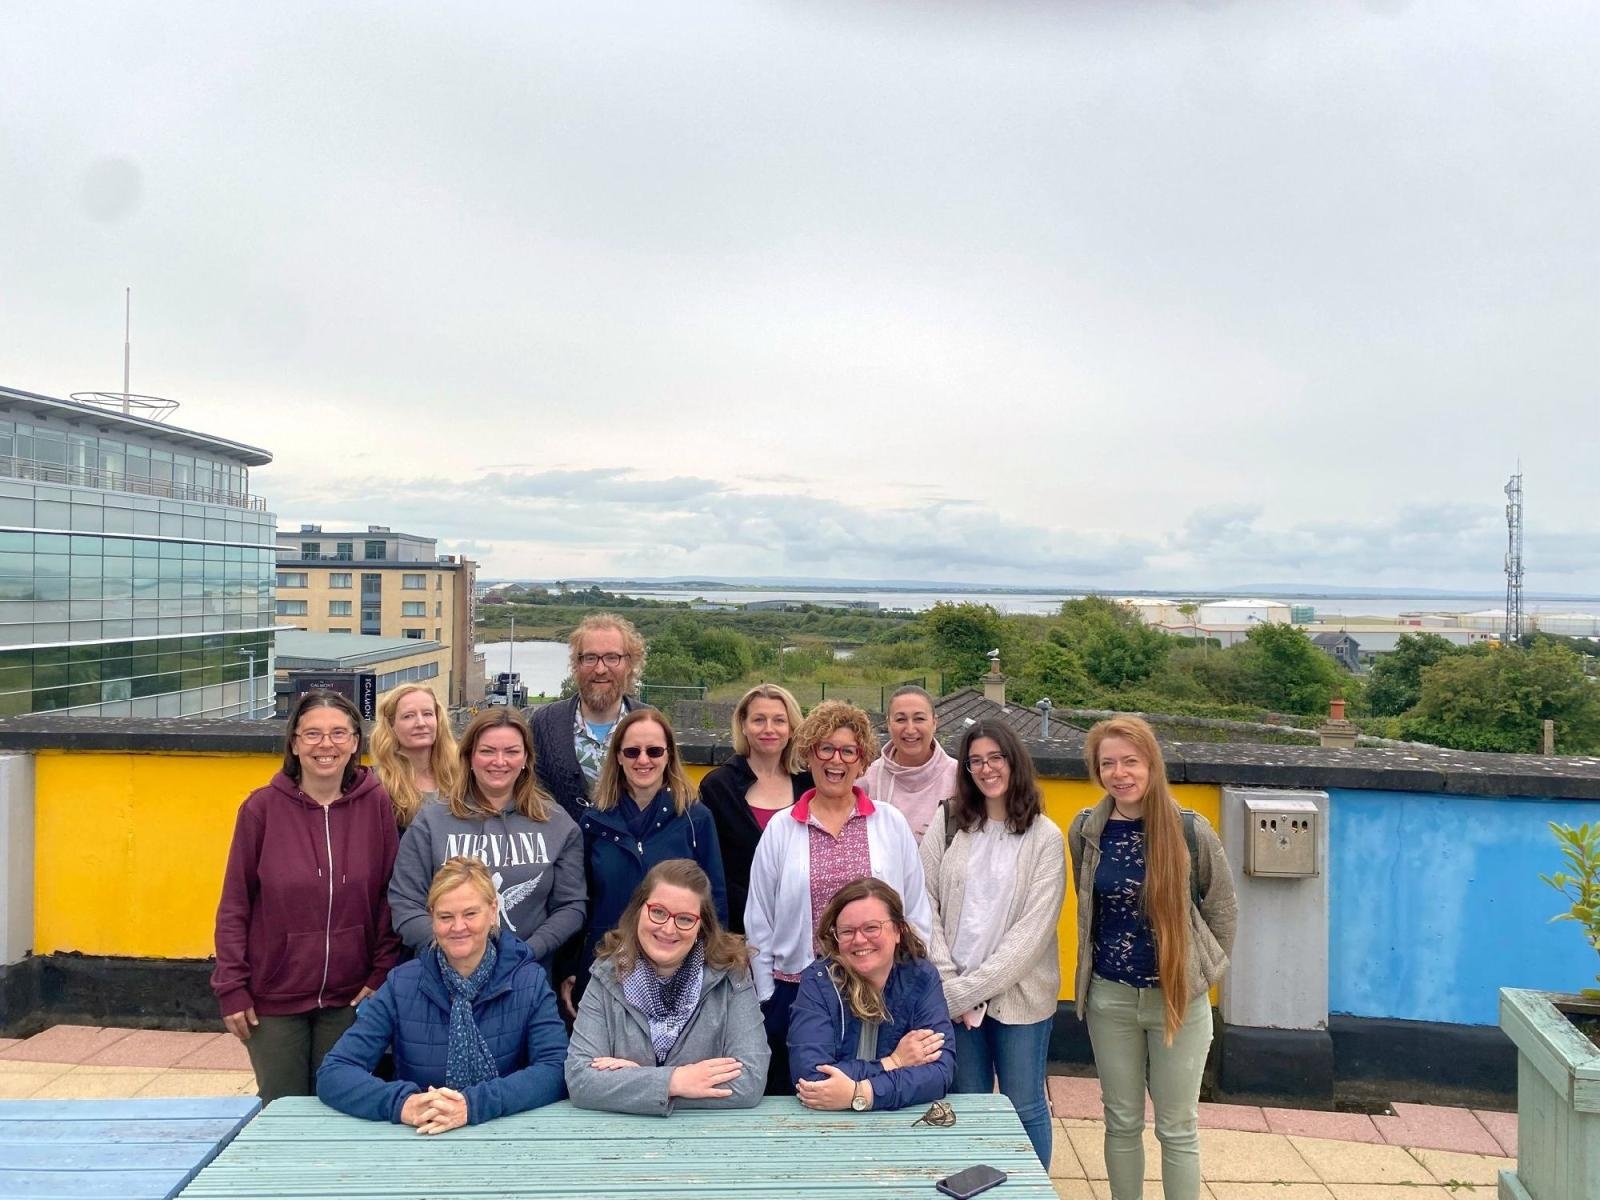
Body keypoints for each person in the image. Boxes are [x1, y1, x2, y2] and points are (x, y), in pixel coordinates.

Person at [1068, 716, 1238, 1200]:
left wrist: (1199, 974)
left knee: (1177, 1127)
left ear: (1151, 765)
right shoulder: (1086, 830)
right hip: (1110, 999)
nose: (1120, 773)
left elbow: (1222, 908)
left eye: (1130, 761)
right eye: (1108, 764)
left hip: (1178, 1002)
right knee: (1120, 1120)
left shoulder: (1188, 830)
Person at [212, 690, 401, 1105]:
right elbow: (235, 905)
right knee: (283, 1109)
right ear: (294, 743)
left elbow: (391, 897)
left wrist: (381, 973)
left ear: (355, 741)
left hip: (352, 997)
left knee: (340, 1107)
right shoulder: (260, 810)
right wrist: (232, 987)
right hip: (273, 999)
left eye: (338, 733)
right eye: (312, 734)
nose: (325, 745)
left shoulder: (377, 805)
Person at [744, 700, 932, 1095]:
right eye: (825, 748)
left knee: (878, 1094)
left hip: (880, 989)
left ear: (862, 761)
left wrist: (911, 980)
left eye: (849, 751)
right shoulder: (781, 828)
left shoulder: (889, 822)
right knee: (801, 1100)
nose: (837, 760)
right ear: (809, 753)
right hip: (797, 992)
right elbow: (758, 918)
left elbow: (914, 908)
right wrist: (766, 996)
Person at [317, 856, 568, 1129]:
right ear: (432, 918)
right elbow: (334, 1072)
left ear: (493, 910)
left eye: (470, 914)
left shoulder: (527, 980)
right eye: (445, 916)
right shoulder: (402, 984)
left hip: (505, 1127)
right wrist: (403, 1104)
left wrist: (472, 1106)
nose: (458, 927)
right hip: (422, 1132)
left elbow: (555, 1069)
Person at [921, 721, 1065, 1168]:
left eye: (995, 758)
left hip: (1018, 998)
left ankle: (1030, 1193)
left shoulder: (1046, 837)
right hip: (955, 996)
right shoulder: (947, 824)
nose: (986, 769)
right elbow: (924, 907)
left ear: (1014, 761)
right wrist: (948, 983)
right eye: (976, 760)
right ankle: (975, 1188)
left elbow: (1032, 935)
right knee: (968, 1106)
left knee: (1024, 1107)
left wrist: (962, 994)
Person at [389, 708, 585, 974]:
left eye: (512, 752)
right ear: (469, 756)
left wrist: (529, 951)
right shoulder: (430, 822)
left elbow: (571, 905)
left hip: (525, 977)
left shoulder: (558, 824)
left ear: (527, 758)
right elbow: (405, 901)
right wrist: (450, 952)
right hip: (442, 976)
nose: (499, 761)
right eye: (487, 751)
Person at [565, 858, 768, 1114]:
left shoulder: (730, 975)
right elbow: (580, 1080)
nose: (668, 928)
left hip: (708, 1139)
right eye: (658, 912)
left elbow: (750, 1080)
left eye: (684, 919)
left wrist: (632, 1086)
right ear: (639, 909)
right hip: (620, 1140)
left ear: (701, 926)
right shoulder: (607, 975)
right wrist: (675, 1081)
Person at [569, 707, 727, 1012]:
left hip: (676, 969)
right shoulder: (594, 821)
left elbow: (715, 900)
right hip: (606, 967)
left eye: (654, 750)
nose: (643, 760)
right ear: (617, 757)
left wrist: (714, 970)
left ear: (668, 756)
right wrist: (570, 967)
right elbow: (579, 901)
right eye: (632, 751)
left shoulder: (696, 819)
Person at [786, 877, 954, 1111]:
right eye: (847, 931)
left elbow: (939, 1073)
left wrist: (862, 1093)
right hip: (828, 1124)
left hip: (902, 1120)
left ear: (898, 931)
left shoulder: (921, 978)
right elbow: (812, 1078)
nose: (859, 939)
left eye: (871, 928)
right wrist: (893, 1062)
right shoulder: (819, 981)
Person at [697, 684, 812, 935]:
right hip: (737, 930)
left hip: (802, 925)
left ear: (792, 728)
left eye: (779, 720)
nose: (769, 729)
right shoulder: (718, 787)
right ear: (744, 725)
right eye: (759, 720)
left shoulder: (809, 785)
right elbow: (708, 866)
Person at [531, 613, 645, 822]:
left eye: (612, 657)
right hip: (561, 852)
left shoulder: (649, 723)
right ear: (576, 664)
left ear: (630, 663)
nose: (600, 669)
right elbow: (532, 796)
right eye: (590, 658)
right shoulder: (545, 723)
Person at [861, 685, 957, 843]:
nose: (910, 729)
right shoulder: (869, 778)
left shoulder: (959, 778)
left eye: (919, 718)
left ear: (934, 722)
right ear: (888, 724)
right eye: (900, 719)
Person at [370, 683, 462, 830]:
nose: (420, 723)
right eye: (408, 716)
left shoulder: (462, 774)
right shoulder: (377, 786)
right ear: (391, 725)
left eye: (427, 714)